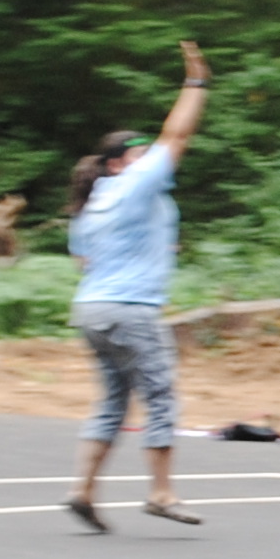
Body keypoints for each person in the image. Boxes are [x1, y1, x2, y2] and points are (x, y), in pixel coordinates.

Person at [64, 41, 210, 533]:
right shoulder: (134, 185)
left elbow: (84, 259)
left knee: (112, 401)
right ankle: (161, 493)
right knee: (161, 396)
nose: (151, 160)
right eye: (140, 155)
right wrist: (196, 83)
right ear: (116, 164)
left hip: (92, 310)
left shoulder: (92, 203)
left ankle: (83, 489)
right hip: (131, 309)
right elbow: (178, 134)